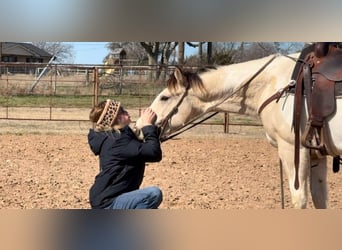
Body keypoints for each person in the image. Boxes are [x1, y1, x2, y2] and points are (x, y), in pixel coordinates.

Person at [87, 99, 163, 209]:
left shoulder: (117, 137)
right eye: (122, 111)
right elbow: (153, 153)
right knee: (153, 194)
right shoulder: (117, 141)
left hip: (109, 198)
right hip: (108, 202)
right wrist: (147, 125)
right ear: (116, 118)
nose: (126, 112)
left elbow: (142, 148)